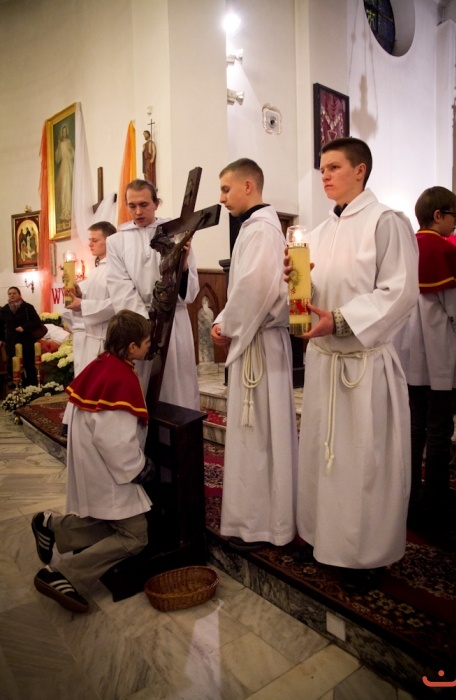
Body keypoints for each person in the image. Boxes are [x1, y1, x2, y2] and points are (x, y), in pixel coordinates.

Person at [285, 137, 419, 591]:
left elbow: (399, 292)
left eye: (334, 167)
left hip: (363, 368)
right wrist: (296, 285)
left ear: (360, 171)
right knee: (324, 459)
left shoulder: (386, 222)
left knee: (364, 464)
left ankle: (365, 556)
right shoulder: (319, 232)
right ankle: (324, 539)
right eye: (322, 168)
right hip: (325, 364)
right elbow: (312, 294)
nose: (324, 175)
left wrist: (340, 320)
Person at [30, 310, 154, 613]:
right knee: (135, 536)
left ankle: (51, 526)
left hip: (94, 464)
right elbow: (115, 440)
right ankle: (61, 575)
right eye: (147, 341)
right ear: (132, 347)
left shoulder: (102, 364)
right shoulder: (120, 379)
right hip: (110, 470)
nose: (150, 345)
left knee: (107, 519)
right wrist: (139, 468)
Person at [211, 158, 298, 550]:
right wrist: (227, 320)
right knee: (257, 432)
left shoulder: (261, 229)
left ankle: (263, 525)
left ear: (248, 186)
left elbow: (255, 288)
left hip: (260, 344)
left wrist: (227, 326)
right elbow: (247, 289)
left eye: (226, 189)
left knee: (260, 434)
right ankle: (256, 519)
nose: (222, 197)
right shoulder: (254, 227)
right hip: (258, 341)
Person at [394, 187, 456, 527]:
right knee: (439, 429)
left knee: (413, 428)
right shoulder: (448, 252)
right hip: (439, 357)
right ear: (438, 215)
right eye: (454, 215)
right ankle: (435, 504)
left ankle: (407, 500)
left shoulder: (404, 249)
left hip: (408, 357)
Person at [106, 179, 200, 409]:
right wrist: (145, 325)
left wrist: (183, 265)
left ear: (157, 203)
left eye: (144, 204)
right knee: (143, 388)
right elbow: (120, 286)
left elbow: (190, 289)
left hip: (174, 322)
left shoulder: (176, 232)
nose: (138, 212)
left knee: (177, 388)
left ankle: (179, 429)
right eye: (132, 206)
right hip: (140, 329)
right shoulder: (116, 241)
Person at [62, 221, 117, 376]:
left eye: (95, 240)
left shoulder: (115, 268)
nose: (90, 244)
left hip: (105, 337)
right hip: (91, 336)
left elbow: (117, 303)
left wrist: (83, 305)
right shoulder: (97, 270)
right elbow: (95, 297)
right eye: (90, 240)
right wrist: (80, 295)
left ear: (109, 241)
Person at [0, 286, 43, 386]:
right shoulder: (5, 309)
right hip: (12, 342)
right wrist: (2, 339)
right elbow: (1, 326)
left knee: (29, 364)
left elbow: (37, 322)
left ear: (19, 294)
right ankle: (18, 387)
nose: (12, 295)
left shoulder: (28, 307)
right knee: (15, 365)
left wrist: (24, 327)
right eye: (10, 294)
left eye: (14, 293)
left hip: (26, 340)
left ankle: (32, 386)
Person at [55, 124, 75, 225]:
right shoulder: (61, 143)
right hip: (63, 167)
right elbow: (57, 158)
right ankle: (64, 211)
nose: (64, 133)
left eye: (65, 131)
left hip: (68, 166)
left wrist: (69, 153)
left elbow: (73, 154)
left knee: (68, 189)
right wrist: (59, 145)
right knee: (63, 189)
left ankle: (69, 211)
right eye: (62, 131)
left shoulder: (68, 142)